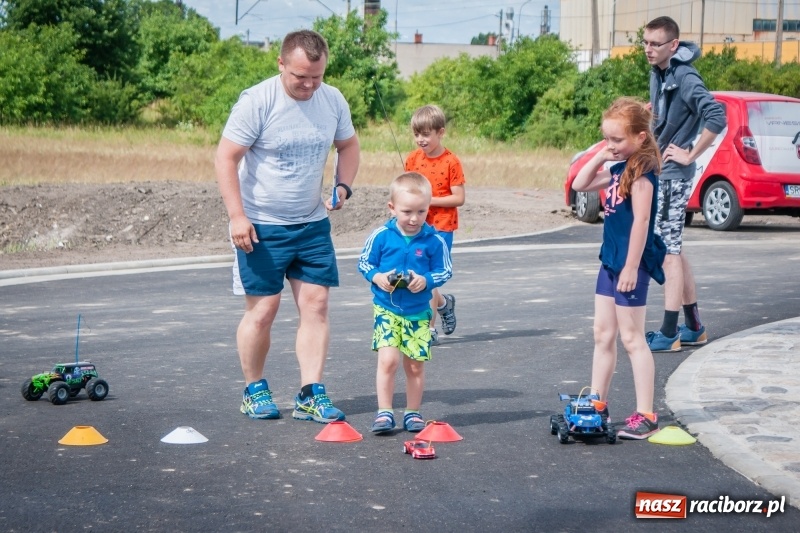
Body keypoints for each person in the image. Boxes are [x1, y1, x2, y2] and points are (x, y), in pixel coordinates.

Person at [215, 29, 360, 422]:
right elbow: (226, 157)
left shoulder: (332, 100)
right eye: (300, 77)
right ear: (281, 64)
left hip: (311, 224)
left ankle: (310, 393)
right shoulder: (257, 101)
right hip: (261, 226)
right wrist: (237, 216)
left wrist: (343, 185)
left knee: (317, 305)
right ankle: (254, 390)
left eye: (317, 76)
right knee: (264, 310)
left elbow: (348, 145)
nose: (309, 85)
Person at [571, 97, 666, 439]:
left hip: (630, 266)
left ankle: (646, 415)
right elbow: (580, 184)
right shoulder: (617, 168)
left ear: (640, 137)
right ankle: (597, 404)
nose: (610, 144)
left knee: (632, 338)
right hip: (610, 262)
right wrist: (600, 155)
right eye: (606, 138)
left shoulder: (642, 174)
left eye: (617, 139)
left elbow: (641, 221)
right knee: (603, 333)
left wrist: (631, 267)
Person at [643, 16, 726, 352]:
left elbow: (716, 116)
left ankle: (669, 333)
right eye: (645, 42)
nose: (648, 49)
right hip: (662, 171)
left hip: (673, 177)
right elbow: (668, 116)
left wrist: (690, 154)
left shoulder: (685, 76)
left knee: (668, 253)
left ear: (673, 45)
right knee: (674, 248)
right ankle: (693, 327)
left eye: (655, 44)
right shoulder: (659, 71)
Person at [357, 172, 452, 434]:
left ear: (428, 208)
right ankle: (384, 413)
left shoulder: (434, 240)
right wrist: (377, 277)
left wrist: (426, 280)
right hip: (386, 308)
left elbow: (445, 270)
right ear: (392, 208)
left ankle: (413, 413)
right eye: (407, 211)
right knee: (388, 361)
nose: (414, 218)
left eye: (421, 211)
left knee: (414, 365)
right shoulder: (381, 236)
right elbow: (364, 262)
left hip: (418, 312)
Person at [404, 104, 465, 345]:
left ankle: (428, 330)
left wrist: (429, 201)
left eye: (426, 134)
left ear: (440, 133)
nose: (421, 139)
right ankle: (443, 304)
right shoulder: (412, 159)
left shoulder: (451, 161)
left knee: (428, 276)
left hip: (441, 228)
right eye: (417, 134)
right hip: (416, 226)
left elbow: (458, 198)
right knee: (420, 276)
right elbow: (406, 190)